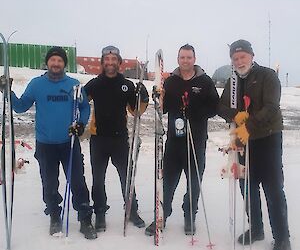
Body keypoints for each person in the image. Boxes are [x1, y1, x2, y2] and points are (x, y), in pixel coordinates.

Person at [11, 47, 97, 240]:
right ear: (48, 63)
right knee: (49, 183)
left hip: (69, 142)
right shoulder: (36, 84)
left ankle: (85, 218)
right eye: (53, 60)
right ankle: (55, 216)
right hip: (45, 144)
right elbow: (20, 107)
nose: (56, 63)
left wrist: (81, 124)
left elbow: (84, 107)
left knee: (77, 182)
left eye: (59, 60)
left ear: (64, 64)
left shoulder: (74, 85)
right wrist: (7, 92)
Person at [218, 39, 291, 250]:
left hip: (267, 138)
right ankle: (256, 228)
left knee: (273, 188)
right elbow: (221, 106)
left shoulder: (267, 76)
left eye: (242, 57)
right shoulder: (233, 82)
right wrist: (236, 115)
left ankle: (282, 237)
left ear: (251, 56)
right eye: (235, 58)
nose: (239, 61)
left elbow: (271, 106)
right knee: (247, 187)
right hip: (243, 142)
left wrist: (249, 124)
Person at [145, 44, 219, 236]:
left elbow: (214, 107)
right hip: (174, 142)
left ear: (194, 59)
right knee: (168, 181)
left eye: (189, 57)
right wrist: (158, 97)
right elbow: (165, 108)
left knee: (194, 182)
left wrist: (196, 112)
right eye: (182, 57)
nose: (185, 61)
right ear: (178, 59)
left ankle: (189, 215)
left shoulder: (205, 81)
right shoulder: (171, 82)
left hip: (196, 141)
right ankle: (162, 214)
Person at [84, 45, 149, 232]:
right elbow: (79, 103)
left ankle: (132, 211)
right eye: (107, 59)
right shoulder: (94, 84)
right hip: (98, 139)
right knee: (98, 178)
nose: (110, 63)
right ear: (102, 62)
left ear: (118, 62)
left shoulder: (127, 85)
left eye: (114, 60)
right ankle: (100, 213)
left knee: (126, 178)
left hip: (120, 139)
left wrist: (142, 98)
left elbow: (136, 111)